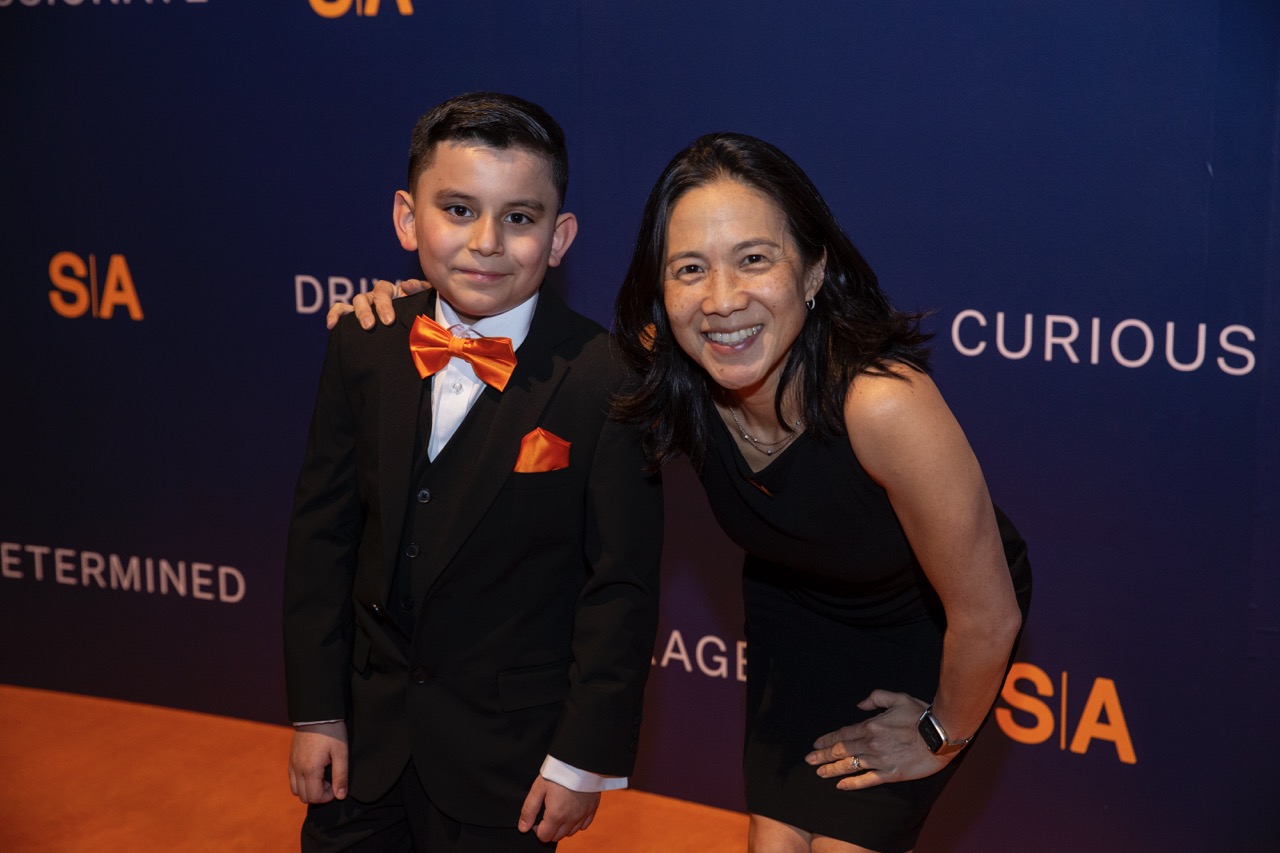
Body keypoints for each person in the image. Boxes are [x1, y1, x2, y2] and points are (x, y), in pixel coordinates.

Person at [342, 132, 1032, 853]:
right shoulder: (665, 367)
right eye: (690, 269)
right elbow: (521, 344)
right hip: (796, 612)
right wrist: (407, 307)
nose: (722, 301)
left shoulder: (884, 405)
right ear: (662, 289)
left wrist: (939, 734)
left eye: (754, 259)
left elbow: (986, 614)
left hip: (928, 620)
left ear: (814, 269)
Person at [285, 92, 663, 852]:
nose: (487, 241)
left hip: (510, 768)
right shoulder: (364, 344)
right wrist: (317, 711)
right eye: (458, 209)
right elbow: (322, 540)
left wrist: (582, 759)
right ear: (406, 217)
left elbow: (619, 588)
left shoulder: (608, 379)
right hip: (364, 746)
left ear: (560, 238)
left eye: (520, 218)